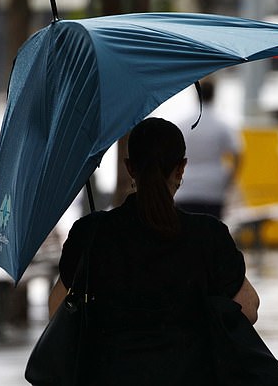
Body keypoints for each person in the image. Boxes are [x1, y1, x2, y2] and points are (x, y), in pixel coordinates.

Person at [48, 117, 259, 386]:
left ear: (130, 168)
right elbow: (248, 308)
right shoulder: (208, 234)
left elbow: (57, 309)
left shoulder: (91, 232)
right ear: (181, 169)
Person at [175, 79, 241, 219]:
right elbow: (237, 154)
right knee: (211, 235)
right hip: (213, 189)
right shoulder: (223, 125)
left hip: (185, 188)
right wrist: (229, 180)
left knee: (185, 235)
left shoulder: (182, 124)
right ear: (215, 95)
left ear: (196, 95)